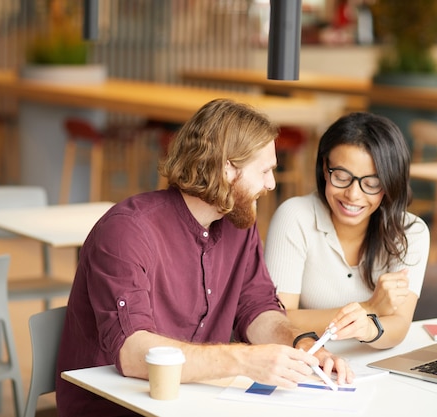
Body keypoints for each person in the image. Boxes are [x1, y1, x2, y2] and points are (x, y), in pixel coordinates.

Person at [56, 98, 353, 417]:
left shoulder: (239, 224)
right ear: (228, 168)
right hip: (115, 407)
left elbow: (257, 308)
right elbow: (133, 352)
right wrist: (246, 360)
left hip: (195, 401)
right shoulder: (127, 231)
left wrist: (300, 344)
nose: (271, 184)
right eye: (265, 170)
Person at [264, 112, 430, 350]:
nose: (353, 195)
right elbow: (276, 319)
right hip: (308, 357)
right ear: (324, 168)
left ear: (390, 182)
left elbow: (399, 326)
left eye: (371, 184)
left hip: (372, 362)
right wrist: (370, 309)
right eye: (341, 177)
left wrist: (368, 326)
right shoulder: (294, 217)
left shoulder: (410, 232)